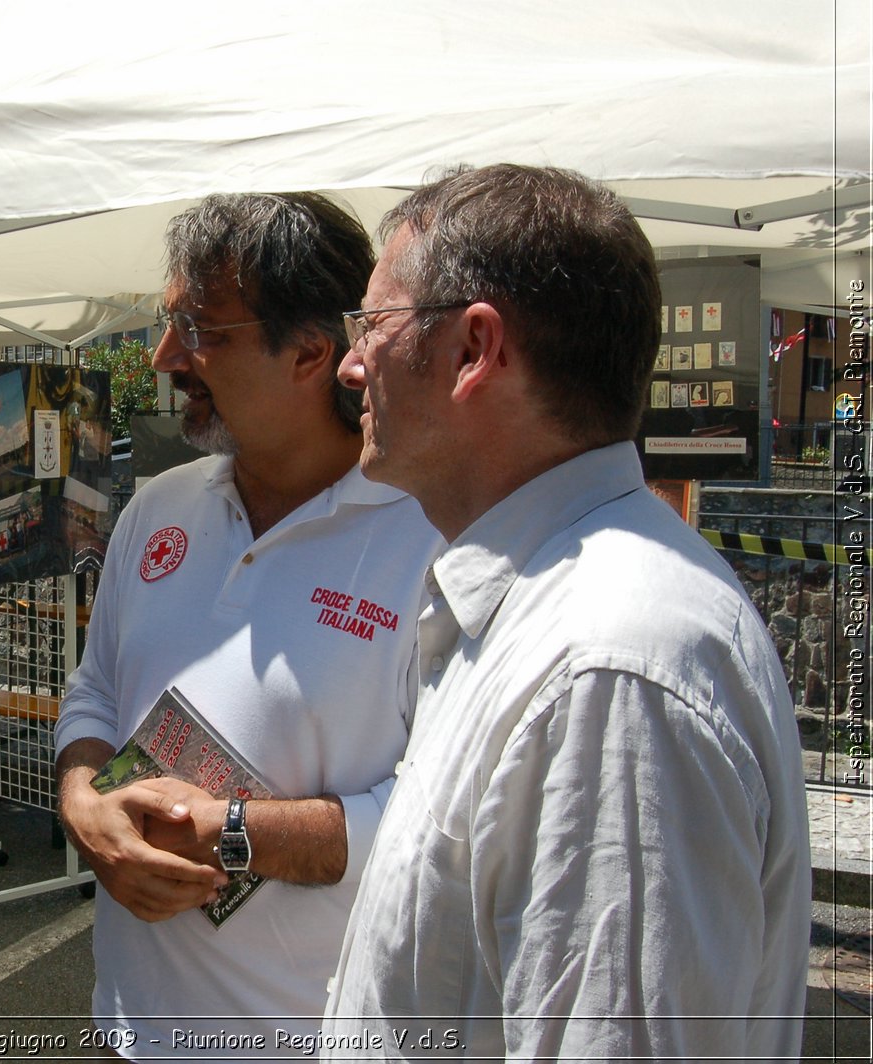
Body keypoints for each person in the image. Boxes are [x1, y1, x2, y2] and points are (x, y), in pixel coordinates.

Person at [323, 164, 810, 1058]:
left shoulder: (608, 672)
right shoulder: (552, 616)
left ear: (474, 351)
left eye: (373, 324)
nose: (352, 363)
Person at [54, 192, 443, 1056]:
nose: (164, 358)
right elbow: (94, 691)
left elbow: (441, 818)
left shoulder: (430, 542)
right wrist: (84, 802)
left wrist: (231, 831)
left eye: (202, 330)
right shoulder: (158, 508)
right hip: (129, 1028)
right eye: (170, 324)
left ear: (311, 349)